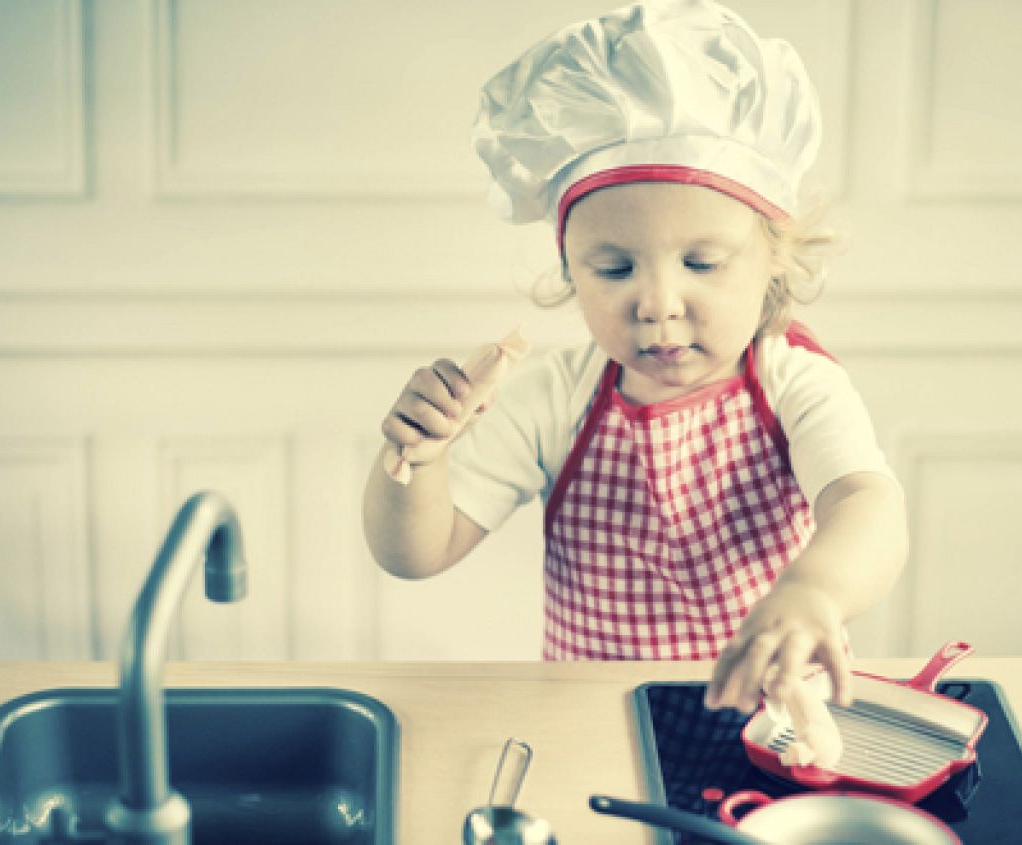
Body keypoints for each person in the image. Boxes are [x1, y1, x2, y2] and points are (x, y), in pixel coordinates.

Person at [362, 0, 907, 715]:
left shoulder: (794, 383)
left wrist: (815, 591)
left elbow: (867, 503)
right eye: (615, 269)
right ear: (570, 269)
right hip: (594, 725)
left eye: (702, 262)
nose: (656, 303)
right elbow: (416, 551)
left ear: (772, 260)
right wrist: (417, 458)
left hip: (772, 728)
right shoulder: (555, 398)